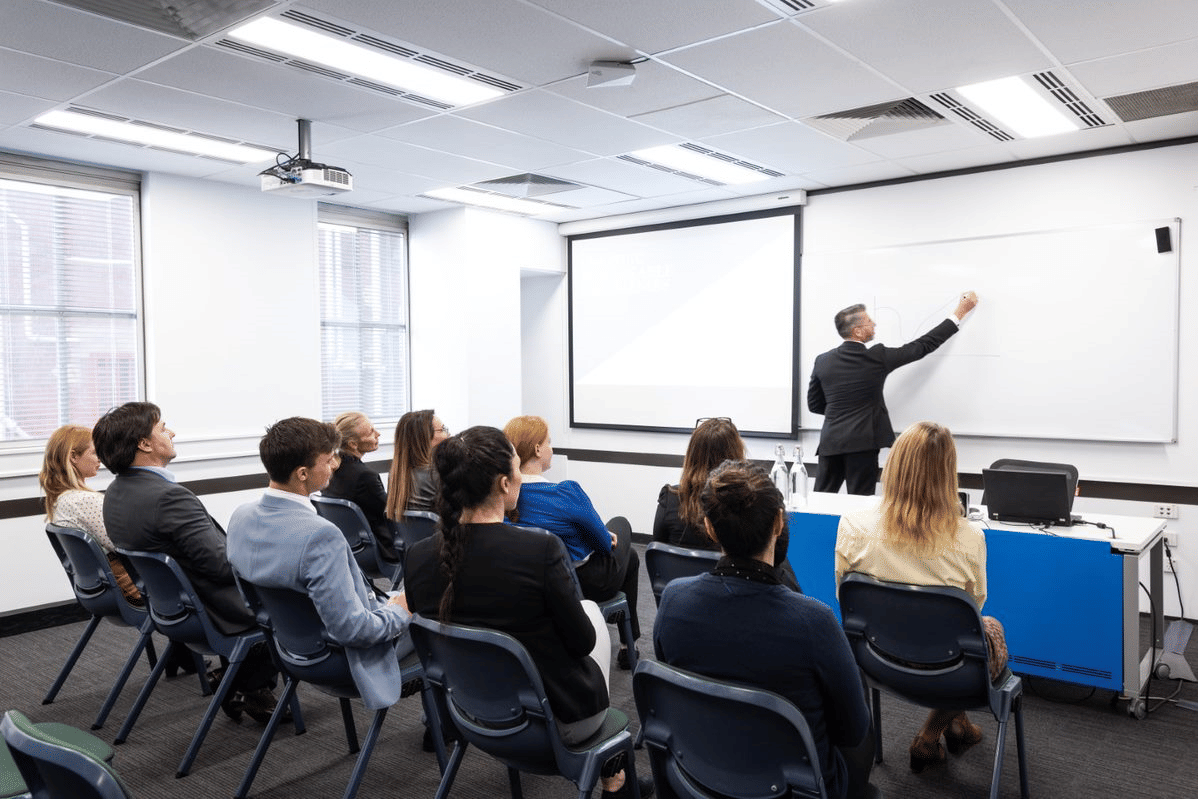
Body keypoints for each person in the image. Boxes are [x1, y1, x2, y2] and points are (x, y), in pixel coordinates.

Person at [404, 426, 651, 799]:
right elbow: (582, 642)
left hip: (467, 712)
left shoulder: (419, 557)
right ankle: (612, 780)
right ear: (505, 484)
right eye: (518, 468)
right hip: (553, 723)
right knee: (591, 616)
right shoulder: (538, 551)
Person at [654, 460, 875, 799]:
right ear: (778, 524)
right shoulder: (814, 621)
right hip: (794, 790)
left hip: (699, 773)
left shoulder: (673, 599)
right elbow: (853, 730)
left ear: (710, 529)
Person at [834, 420, 1008, 773]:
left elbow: (843, 595)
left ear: (895, 464)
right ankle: (931, 736)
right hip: (951, 670)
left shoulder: (853, 525)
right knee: (987, 631)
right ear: (948, 474)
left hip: (876, 659)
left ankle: (955, 726)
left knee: (960, 636)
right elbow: (975, 610)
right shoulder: (969, 537)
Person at [92, 402, 280, 723]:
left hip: (171, 609)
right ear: (145, 443)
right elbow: (221, 566)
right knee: (294, 595)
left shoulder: (116, 492)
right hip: (211, 609)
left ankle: (243, 684)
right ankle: (248, 684)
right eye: (163, 428)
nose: (172, 432)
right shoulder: (168, 496)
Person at [227, 417, 413, 711]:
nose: (335, 465)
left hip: (288, 651)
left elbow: (255, 605)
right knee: (434, 621)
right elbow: (355, 631)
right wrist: (402, 611)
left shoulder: (241, 516)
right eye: (328, 460)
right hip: (337, 660)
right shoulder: (320, 535)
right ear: (302, 473)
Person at [503, 415, 642, 669]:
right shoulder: (566, 492)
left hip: (530, 589)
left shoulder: (503, 500)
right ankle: (627, 646)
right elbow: (603, 546)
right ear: (537, 449)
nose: (552, 449)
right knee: (621, 526)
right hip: (582, 586)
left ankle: (628, 642)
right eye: (550, 442)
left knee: (631, 557)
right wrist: (603, 534)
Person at [807, 291, 978, 496]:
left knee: (820, 501)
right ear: (858, 331)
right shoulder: (877, 357)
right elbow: (923, 345)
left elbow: (814, 404)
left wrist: (841, 411)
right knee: (861, 503)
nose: (874, 325)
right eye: (869, 321)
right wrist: (959, 313)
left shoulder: (823, 360)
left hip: (830, 443)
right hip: (863, 444)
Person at [653, 417, 800, 590]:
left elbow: (658, 550)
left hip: (687, 601)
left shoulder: (669, 498)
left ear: (691, 455)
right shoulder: (748, 505)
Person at [39, 425, 142, 605]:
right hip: (129, 591)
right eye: (95, 453)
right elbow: (125, 546)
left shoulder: (60, 500)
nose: (101, 459)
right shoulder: (84, 501)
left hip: (94, 590)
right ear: (73, 456)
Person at [323, 412, 395, 559]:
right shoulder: (365, 476)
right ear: (353, 444)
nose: (378, 434)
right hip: (380, 551)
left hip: (348, 548)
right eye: (371, 432)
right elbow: (391, 513)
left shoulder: (331, 472)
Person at [385, 409, 449, 520]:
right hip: (438, 536)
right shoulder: (436, 475)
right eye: (443, 429)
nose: (449, 434)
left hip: (411, 538)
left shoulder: (396, 475)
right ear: (426, 437)